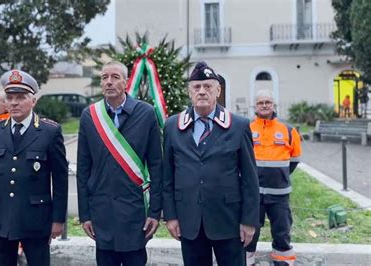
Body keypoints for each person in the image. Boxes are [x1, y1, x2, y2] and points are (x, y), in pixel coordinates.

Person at [162, 62, 259, 266]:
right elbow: (167, 176)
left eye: (208, 86)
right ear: (189, 92)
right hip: (190, 221)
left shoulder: (238, 126)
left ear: (218, 90)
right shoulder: (172, 126)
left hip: (229, 221)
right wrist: (170, 216)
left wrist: (249, 222)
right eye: (197, 87)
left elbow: (250, 179)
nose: (202, 91)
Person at [0, 69, 68, 266]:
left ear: (33, 101)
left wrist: (58, 220)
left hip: (35, 218)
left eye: (20, 97)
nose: (14, 102)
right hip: (0, 217)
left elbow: (60, 181)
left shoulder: (49, 132)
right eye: (10, 98)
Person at [77, 61, 163, 265]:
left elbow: (157, 166)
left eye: (115, 77)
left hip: (135, 212)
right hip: (102, 212)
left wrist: (155, 212)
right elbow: (83, 168)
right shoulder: (90, 115)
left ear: (125, 82)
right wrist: (84, 215)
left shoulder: (146, 113)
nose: (109, 82)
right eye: (104, 77)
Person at [246, 90, 302, 266]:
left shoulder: (288, 130)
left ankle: (283, 258)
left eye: (267, 102)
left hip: (279, 192)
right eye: (261, 102)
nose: (264, 105)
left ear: (273, 105)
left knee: (281, 229)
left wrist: (279, 175)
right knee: (250, 228)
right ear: (255, 106)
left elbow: (295, 159)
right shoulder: (247, 128)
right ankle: (247, 257)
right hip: (253, 192)